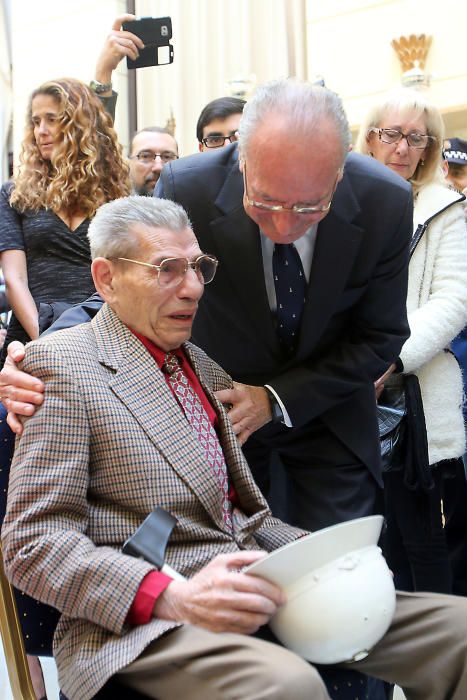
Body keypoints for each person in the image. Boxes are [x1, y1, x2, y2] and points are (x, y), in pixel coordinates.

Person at [2, 195, 467, 700]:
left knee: (456, 632)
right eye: (167, 269)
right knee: (287, 687)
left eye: (199, 267)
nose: (194, 287)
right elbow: (32, 543)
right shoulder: (60, 368)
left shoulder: (201, 365)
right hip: (139, 627)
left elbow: (238, 519)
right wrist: (173, 597)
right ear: (106, 279)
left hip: (259, 585)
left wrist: (330, 558)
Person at [355, 89, 467, 594]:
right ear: (370, 139)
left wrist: (389, 362)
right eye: (391, 134)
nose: (401, 147)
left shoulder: (447, 209)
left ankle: (438, 669)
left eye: (415, 137)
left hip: (414, 392)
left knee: (423, 542)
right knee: (364, 545)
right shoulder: (342, 199)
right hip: (345, 387)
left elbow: (453, 300)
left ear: (429, 146)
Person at [0, 75, 129, 366]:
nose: (41, 131)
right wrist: (47, 338)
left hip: (100, 330)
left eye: (52, 119)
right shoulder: (15, 194)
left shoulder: (114, 194)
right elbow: (15, 279)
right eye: (35, 121)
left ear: (79, 126)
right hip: (33, 334)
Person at [129, 127, 179, 195]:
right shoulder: (112, 204)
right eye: (146, 156)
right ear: (129, 162)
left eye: (167, 157)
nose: (158, 167)